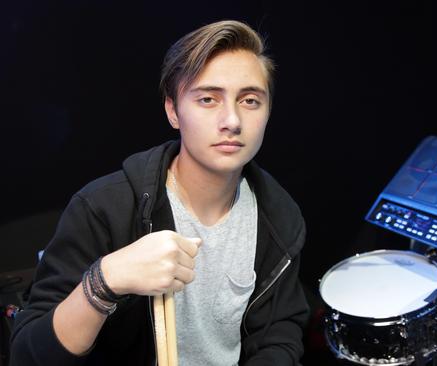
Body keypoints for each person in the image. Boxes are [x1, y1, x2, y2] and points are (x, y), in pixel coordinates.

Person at [10, 20, 310, 365]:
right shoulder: (105, 207)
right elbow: (28, 355)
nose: (232, 120)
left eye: (250, 100)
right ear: (173, 111)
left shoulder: (279, 217)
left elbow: (278, 337)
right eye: (208, 99)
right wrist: (104, 281)